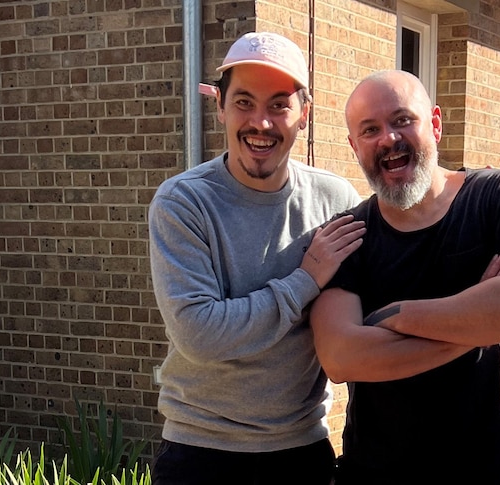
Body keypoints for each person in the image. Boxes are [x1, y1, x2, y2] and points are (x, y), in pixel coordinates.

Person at [310, 70, 500, 485]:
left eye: (403, 119)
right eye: (370, 130)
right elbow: (340, 357)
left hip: (491, 472)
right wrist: (480, 321)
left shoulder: (499, 195)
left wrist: (392, 317)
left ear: (436, 124)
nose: (388, 138)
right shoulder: (348, 234)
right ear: (354, 147)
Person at [148, 31, 365, 485]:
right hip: (201, 453)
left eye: (279, 105)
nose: (260, 123)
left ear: (304, 115)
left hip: (301, 453)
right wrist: (306, 279)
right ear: (220, 107)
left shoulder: (336, 200)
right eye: (244, 102)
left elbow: (378, 299)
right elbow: (199, 334)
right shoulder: (184, 203)